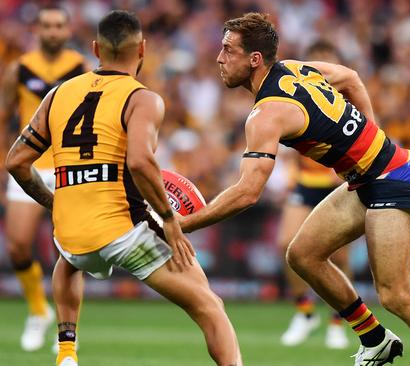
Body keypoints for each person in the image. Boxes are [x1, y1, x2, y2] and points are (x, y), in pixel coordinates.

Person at [179, 12, 410, 366]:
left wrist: (181, 224)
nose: (219, 58)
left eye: (228, 50)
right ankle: (375, 338)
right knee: (302, 254)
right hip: (366, 179)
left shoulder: (266, 114)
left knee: (395, 295)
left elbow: (248, 192)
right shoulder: (294, 68)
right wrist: (372, 132)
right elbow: (350, 78)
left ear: (255, 59)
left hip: (390, 181)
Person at [5, 10, 241, 366]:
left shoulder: (58, 94)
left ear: (96, 49)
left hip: (71, 237)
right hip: (123, 232)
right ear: (143, 49)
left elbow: (15, 161)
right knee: (210, 306)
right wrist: (169, 220)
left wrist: (53, 203)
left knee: (68, 261)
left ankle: (66, 351)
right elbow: (140, 163)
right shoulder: (143, 98)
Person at [0, 5, 87, 352]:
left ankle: (68, 334)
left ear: (67, 30)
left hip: (69, 166)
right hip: (31, 165)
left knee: (70, 252)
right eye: (47, 26)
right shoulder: (18, 69)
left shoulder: (81, 69)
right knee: (18, 244)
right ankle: (39, 310)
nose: (53, 32)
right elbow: (4, 116)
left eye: (59, 26)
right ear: (36, 29)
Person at [278, 39, 350, 350]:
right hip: (305, 182)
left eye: (327, 59)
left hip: (338, 184)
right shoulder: (300, 94)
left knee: (340, 256)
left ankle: (339, 320)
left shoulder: (348, 98)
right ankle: (306, 312)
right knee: (286, 244)